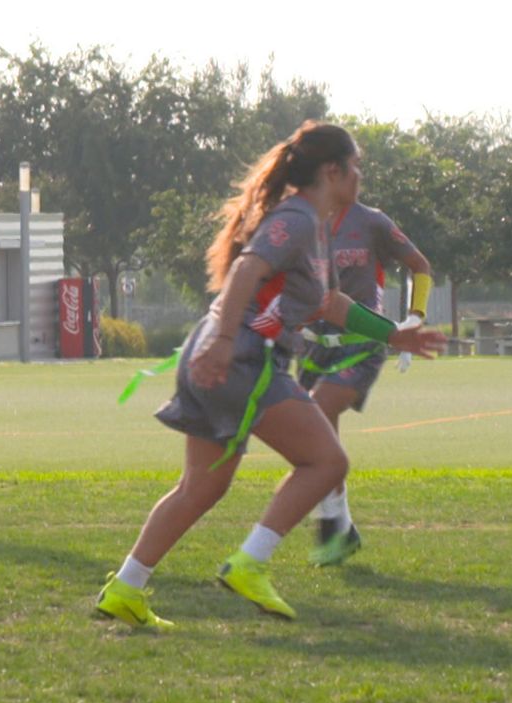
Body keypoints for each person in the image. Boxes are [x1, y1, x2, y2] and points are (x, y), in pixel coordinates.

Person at [95, 121, 444, 629]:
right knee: (326, 463)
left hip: (221, 352)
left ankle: (126, 587)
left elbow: (329, 302)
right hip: (243, 357)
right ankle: (249, 563)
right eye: (356, 167)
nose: (360, 177)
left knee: (200, 489)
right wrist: (221, 343)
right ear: (333, 171)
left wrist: (394, 335)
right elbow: (246, 271)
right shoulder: (299, 219)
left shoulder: (315, 223)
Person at [297, 202, 432, 566]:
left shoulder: (372, 222)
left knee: (322, 405)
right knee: (314, 434)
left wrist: (413, 320)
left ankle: (330, 525)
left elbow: (420, 267)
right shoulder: (301, 220)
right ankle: (344, 527)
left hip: (361, 341)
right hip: (313, 343)